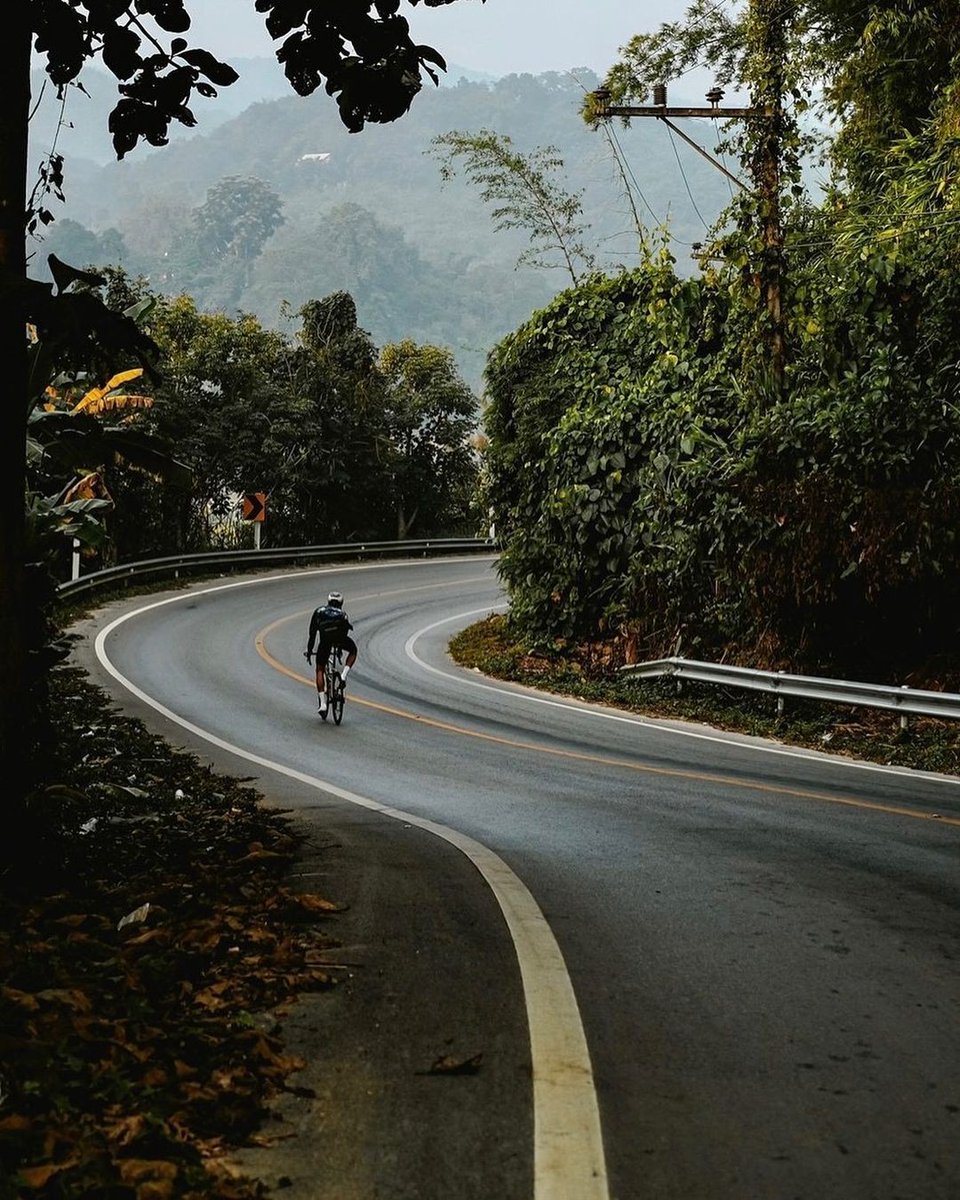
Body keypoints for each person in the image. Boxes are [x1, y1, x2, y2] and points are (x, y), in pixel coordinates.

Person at [304, 591, 357, 715]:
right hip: (339, 639)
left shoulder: (319, 612)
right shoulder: (343, 614)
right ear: (341, 603)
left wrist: (310, 650)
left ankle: (323, 703)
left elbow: (312, 634)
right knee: (353, 650)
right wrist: (338, 649)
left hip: (325, 642)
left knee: (320, 669)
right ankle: (343, 675)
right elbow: (345, 632)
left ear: (328, 601)